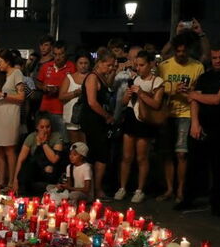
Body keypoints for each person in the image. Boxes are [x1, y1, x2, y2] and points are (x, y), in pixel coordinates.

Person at [178, 42, 220, 216]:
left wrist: (192, 94)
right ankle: (188, 198)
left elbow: (217, 99)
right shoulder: (205, 76)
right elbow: (195, 101)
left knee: (217, 165)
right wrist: (195, 123)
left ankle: (216, 203)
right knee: (193, 164)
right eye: (214, 58)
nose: (217, 61)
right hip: (201, 124)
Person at [157, 34, 205, 202]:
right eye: (178, 51)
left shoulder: (197, 66)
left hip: (186, 113)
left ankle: (181, 190)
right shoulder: (165, 66)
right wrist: (173, 89)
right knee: (168, 154)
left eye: (184, 51)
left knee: (182, 154)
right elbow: (158, 89)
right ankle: (169, 189)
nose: (181, 54)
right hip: (167, 113)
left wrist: (188, 92)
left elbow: (199, 93)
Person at [116, 50, 165, 204]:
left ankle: (140, 190)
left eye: (142, 65)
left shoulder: (157, 82)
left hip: (145, 121)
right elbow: (124, 103)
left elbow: (157, 105)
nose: (138, 68)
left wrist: (142, 93)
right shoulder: (134, 79)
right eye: (136, 65)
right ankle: (122, 187)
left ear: (151, 64)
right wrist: (127, 96)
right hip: (131, 118)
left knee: (142, 157)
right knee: (126, 156)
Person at [77, 49, 116, 199]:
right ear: (100, 63)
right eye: (109, 65)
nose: (111, 68)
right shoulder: (92, 78)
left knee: (100, 154)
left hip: (98, 120)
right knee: (99, 154)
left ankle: (94, 188)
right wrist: (107, 116)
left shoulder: (101, 76)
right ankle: (96, 188)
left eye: (113, 65)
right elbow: (92, 102)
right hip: (93, 121)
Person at [0, 49, 26, 188]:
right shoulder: (0, 75)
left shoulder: (17, 73)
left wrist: (3, 95)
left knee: (9, 148)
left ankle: (12, 180)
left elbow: (21, 97)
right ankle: (1, 180)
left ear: (8, 61)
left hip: (10, 114)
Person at [13, 114, 63, 195]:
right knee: (27, 166)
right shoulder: (31, 137)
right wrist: (15, 180)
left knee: (50, 169)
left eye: (48, 127)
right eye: (42, 127)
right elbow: (20, 159)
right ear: (37, 127)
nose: (45, 130)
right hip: (36, 170)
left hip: (50, 171)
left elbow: (54, 159)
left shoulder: (56, 137)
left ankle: (49, 188)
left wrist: (44, 143)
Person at [36, 40, 75, 141]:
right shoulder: (45, 66)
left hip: (62, 110)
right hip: (45, 109)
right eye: (55, 54)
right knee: (44, 139)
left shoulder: (72, 67)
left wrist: (60, 89)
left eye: (61, 54)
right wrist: (44, 87)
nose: (57, 57)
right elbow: (38, 83)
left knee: (63, 140)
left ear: (65, 53)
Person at [59, 52, 91, 144]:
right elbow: (61, 96)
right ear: (76, 64)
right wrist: (75, 93)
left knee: (86, 144)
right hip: (72, 117)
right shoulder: (69, 78)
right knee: (74, 145)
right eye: (81, 63)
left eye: (86, 63)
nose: (83, 66)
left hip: (87, 116)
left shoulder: (92, 77)